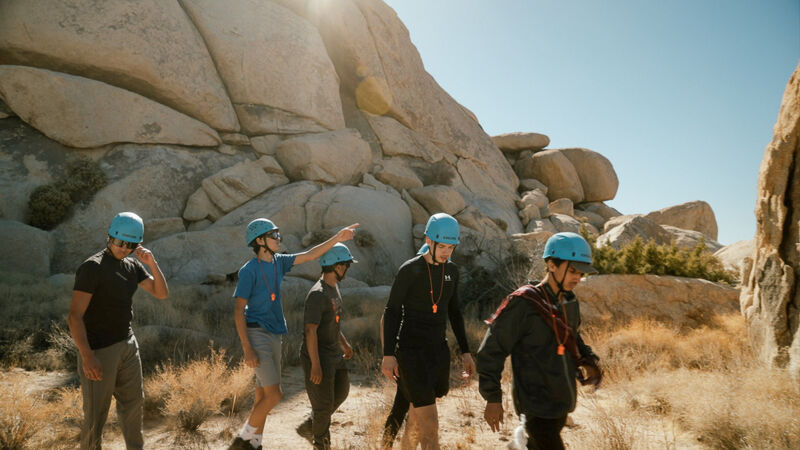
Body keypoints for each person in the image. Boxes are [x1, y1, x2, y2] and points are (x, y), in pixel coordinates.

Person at [231, 218, 358, 450]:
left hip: (274, 334)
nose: (279, 239)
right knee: (275, 395)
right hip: (256, 333)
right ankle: (241, 441)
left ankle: (255, 443)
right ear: (260, 241)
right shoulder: (248, 271)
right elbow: (239, 310)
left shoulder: (279, 262)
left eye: (278, 234)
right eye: (274, 235)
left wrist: (337, 238)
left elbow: (310, 254)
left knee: (262, 395)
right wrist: (247, 348)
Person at [477, 232, 603, 450]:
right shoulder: (523, 303)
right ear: (552, 265)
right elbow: (491, 350)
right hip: (535, 407)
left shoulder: (569, 301)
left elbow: (572, 335)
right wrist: (492, 398)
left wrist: (587, 359)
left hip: (561, 403)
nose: (578, 278)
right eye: (573, 270)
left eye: (581, 273)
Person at [68, 212, 169, 450]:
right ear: (110, 237)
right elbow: (74, 317)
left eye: (131, 245)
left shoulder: (133, 265)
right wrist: (87, 356)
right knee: (95, 417)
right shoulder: (92, 268)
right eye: (120, 242)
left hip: (127, 345)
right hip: (99, 351)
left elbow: (161, 293)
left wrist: (151, 262)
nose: (124, 248)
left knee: (134, 407)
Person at [380, 213, 475, 449]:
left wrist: (465, 352)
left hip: (437, 353)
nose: (446, 252)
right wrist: (388, 355)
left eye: (451, 247)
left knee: (415, 420)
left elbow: (454, 312)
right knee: (430, 425)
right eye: (442, 246)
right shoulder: (409, 270)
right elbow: (391, 312)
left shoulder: (452, 271)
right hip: (411, 353)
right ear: (428, 241)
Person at [295, 243, 356, 449]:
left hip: (334, 354)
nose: (348, 269)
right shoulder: (317, 294)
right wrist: (315, 365)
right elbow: (311, 331)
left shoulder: (333, 288)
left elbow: (333, 322)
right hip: (318, 357)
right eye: (347, 265)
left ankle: (309, 426)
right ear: (337, 266)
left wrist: (345, 345)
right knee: (322, 407)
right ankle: (321, 443)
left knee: (342, 391)